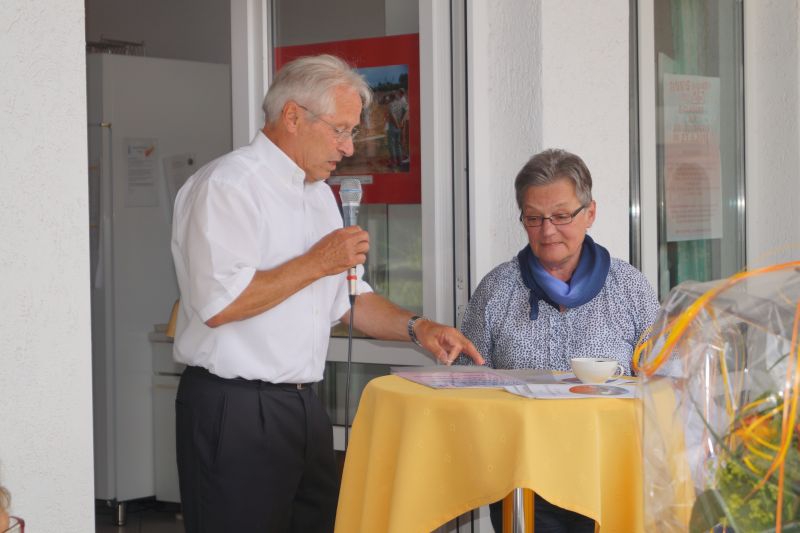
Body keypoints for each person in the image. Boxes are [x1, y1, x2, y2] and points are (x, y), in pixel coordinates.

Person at [171, 54, 483, 533]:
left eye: (353, 132)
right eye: (340, 130)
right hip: (234, 409)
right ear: (293, 116)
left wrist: (419, 328)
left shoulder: (318, 194)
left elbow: (349, 301)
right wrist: (319, 260)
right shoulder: (227, 186)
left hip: (302, 407)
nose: (349, 147)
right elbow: (220, 304)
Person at [457, 148, 659, 533]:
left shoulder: (629, 287)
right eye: (534, 218)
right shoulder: (497, 289)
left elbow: (664, 376)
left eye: (562, 216)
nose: (547, 231)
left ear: (590, 213)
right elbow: (466, 384)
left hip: (611, 476)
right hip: (522, 482)